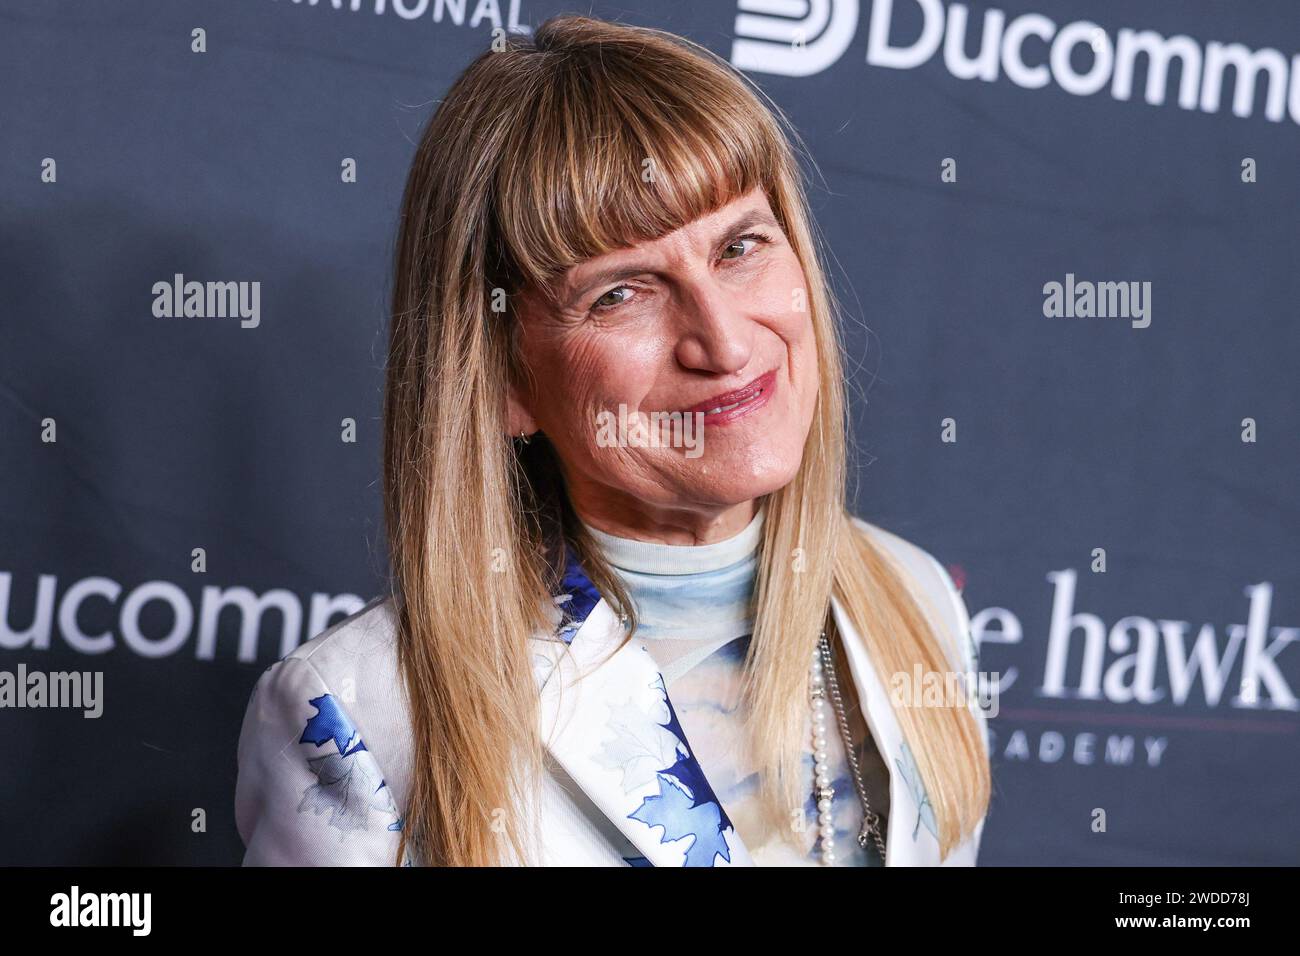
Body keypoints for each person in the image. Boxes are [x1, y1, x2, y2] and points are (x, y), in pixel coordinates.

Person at [234, 13, 991, 867]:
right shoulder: (362, 715)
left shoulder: (917, 600)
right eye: (618, 295)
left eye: (741, 245)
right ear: (504, 384)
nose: (726, 344)